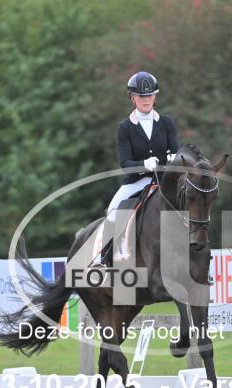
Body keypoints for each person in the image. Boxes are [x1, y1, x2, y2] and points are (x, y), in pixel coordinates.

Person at [96, 71, 179, 267]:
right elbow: (125, 164)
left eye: (150, 95)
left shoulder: (167, 122)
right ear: (132, 98)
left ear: (155, 97)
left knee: (193, 203)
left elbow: (175, 150)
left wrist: (175, 159)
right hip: (137, 181)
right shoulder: (125, 127)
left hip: (164, 181)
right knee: (114, 208)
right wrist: (143, 165)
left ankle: (199, 256)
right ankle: (105, 257)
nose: (146, 99)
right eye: (141, 96)